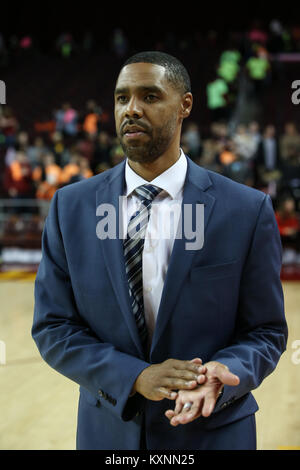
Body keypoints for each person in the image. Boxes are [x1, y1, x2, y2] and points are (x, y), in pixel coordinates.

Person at [32, 51, 287, 450]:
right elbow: (53, 327)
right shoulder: (71, 207)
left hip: (213, 432)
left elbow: (266, 330)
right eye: (121, 98)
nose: (131, 109)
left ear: (185, 105)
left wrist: (228, 370)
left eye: (149, 97)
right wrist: (134, 376)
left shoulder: (246, 210)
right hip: (110, 435)